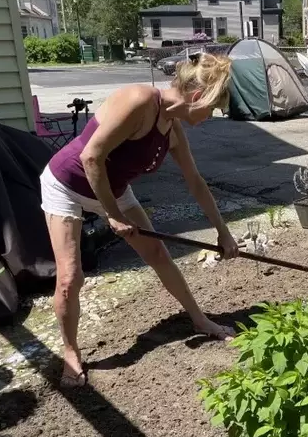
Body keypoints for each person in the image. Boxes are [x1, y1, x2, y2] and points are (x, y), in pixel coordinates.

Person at [40, 52, 239, 388]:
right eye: (212, 108)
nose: (209, 116)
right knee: (70, 278)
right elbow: (91, 157)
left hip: (112, 190)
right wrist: (112, 216)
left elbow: (195, 181)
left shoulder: (172, 128)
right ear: (196, 97)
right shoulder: (139, 100)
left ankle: (200, 319)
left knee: (158, 253)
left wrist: (223, 231)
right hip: (68, 185)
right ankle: (71, 352)